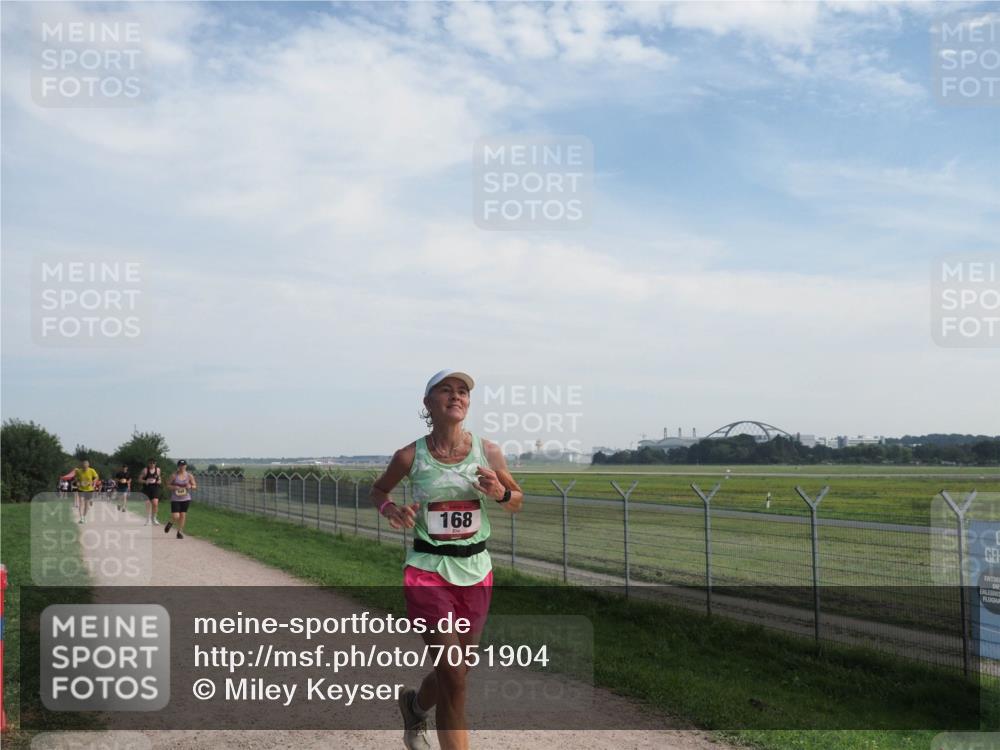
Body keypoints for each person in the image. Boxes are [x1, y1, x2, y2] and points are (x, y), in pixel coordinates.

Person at [370, 369, 523, 750]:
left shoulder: (487, 451)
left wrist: (501, 492)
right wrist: (390, 509)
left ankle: (415, 706)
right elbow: (378, 490)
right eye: (446, 391)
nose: (456, 397)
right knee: (455, 674)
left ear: (468, 404)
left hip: (475, 571)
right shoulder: (409, 456)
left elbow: (518, 500)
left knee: (456, 671)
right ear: (428, 404)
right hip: (427, 570)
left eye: (462, 392)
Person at [164, 460, 197, 540]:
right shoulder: (174, 476)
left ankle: (179, 532)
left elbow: (195, 486)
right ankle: (170, 523)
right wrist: (174, 487)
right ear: (178, 466)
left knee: (182, 515)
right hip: (175, 498)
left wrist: (191, 487)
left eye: (183, 465)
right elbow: (167, 485)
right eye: (180, 465)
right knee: (176, 516)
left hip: (186, 498)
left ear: (186, 466)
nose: (182, 467)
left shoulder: (189, 476)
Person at [73, 459, 100, 524]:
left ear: (88, 465)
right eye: (83, 466)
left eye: (86, 466)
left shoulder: (92, 470)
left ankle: (84, 516)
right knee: (81, 502)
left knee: (86, 504)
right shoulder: (79, 471)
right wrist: (77, 483)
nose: (85, 467)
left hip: (89, 489)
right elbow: (76, 478)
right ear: (82, 466)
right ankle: (81, 518)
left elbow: (96, 477)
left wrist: (93, 481)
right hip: (81, 489)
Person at [140, 458, 162, 526]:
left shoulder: (158, 470)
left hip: (155, 488)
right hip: (146, 489)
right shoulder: (145, 470)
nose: (152, 464)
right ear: (148, 463)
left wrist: (159, 481)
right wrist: (145, 481)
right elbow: (139, 479)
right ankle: (147, 519)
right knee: (147, 504)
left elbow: (159, 479)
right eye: (151, 463)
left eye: (153, 463)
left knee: (155, 503)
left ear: (155, 463)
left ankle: (154, 518)